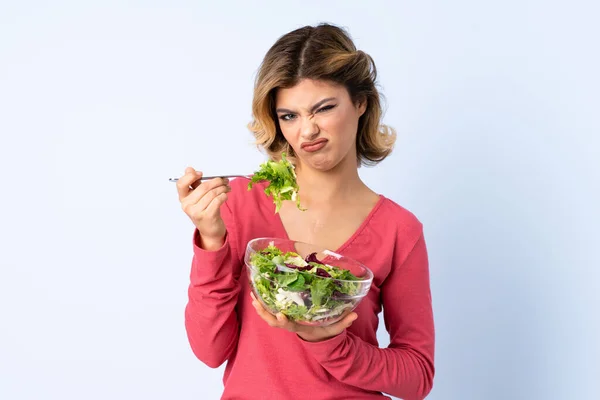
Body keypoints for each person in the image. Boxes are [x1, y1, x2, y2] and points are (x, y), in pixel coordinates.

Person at [176, 23, 435, 400]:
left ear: (361, 102)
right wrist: (211, 242)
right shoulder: (240, 202)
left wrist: (332, 342)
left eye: (324, 108)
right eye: (289, 116)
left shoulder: (399, 230)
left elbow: (417, 377)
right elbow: (209, 350)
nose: (307, 131)